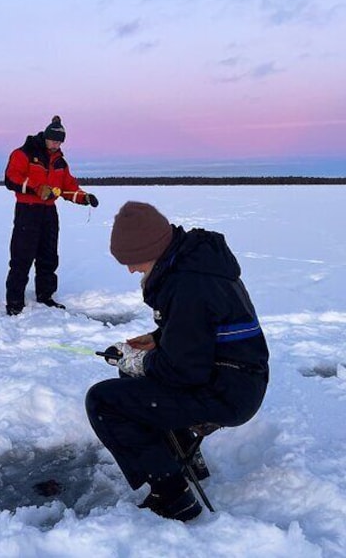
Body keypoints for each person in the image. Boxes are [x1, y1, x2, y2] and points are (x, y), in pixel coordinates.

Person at [85, 201, 269, 521]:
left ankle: (173, 496)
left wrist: (138, 362)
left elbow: (183, 371)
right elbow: (205, 327)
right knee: (135, 377)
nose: (130, 269)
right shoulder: (193, 265)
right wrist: (159, 338)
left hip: (228, 391)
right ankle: (183, 457)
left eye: (132, 260)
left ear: (152, 248)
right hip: (233, 378)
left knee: (103, 402)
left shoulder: (187, 284)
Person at [3, 115, 99, 316]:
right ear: (45, 137)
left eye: (60, 141)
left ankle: (46, 296)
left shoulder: (60, 162)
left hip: (49, 213)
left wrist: (84, 198)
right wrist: (37, 189)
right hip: (27, 211)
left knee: (48, 256)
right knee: (22, 256)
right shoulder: (23, 154)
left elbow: (67, 187)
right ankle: (14, 302)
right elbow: (11, 178)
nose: (56, 144)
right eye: (54, 140)